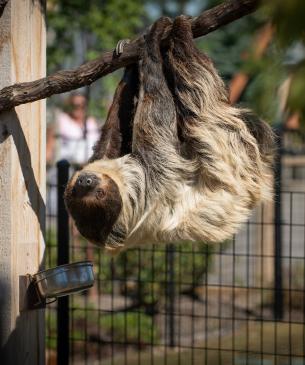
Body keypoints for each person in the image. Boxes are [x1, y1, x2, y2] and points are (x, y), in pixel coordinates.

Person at [47, 92, 100, 166]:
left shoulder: (92, 122)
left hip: (90, 167)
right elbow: (48, 150)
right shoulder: (61, 120)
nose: (78, 108)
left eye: (81, 105)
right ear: (69, 104)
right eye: (74, 105)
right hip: (67, 167)